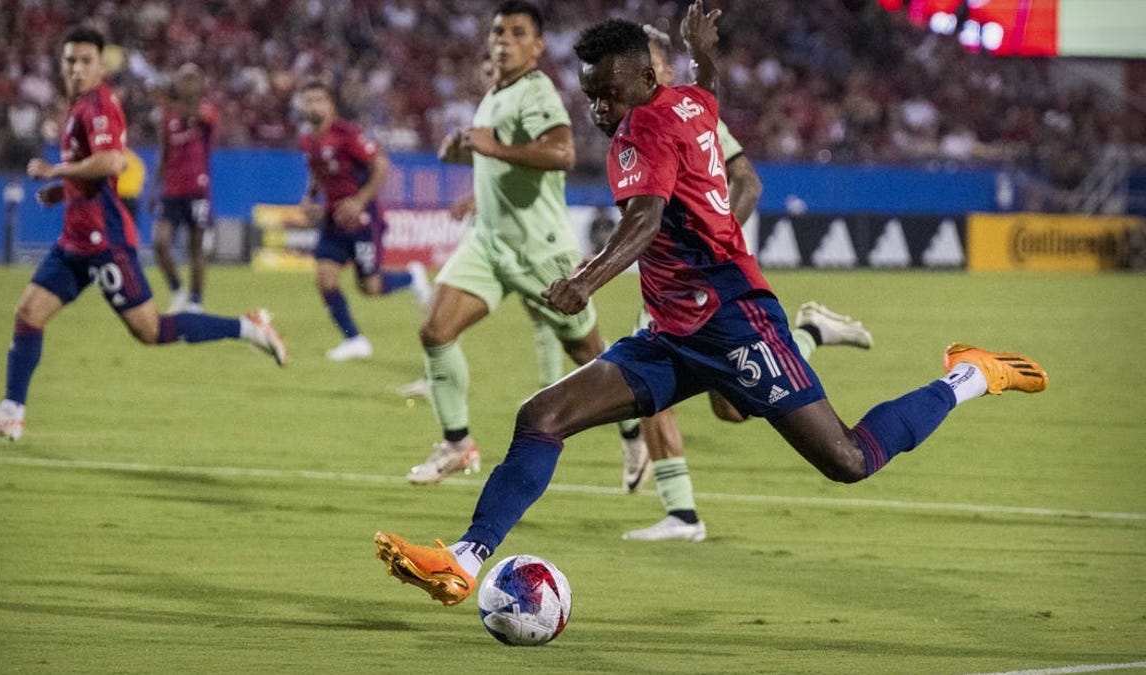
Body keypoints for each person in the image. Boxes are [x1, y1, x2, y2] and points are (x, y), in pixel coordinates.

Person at [373, 4, 1048, 606]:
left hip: (732, 321)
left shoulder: (644, 131)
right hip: (671, 333)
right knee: (541, 414)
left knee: (847, 459)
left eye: (609, 95)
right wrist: (706, 55)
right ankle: (464, 560)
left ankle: (969, 373)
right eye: (592, 99)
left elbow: (641, 222)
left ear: (643, 81)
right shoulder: (688, 103)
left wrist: (587, 279)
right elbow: (709, 96)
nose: (602, 112)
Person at [0, 26, 288, 442]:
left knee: (150, 331)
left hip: (104, 241)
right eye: (70, 61)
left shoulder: (99, 105)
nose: (76, 68)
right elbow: (96, 169)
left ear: (100, 65)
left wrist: (58, 171)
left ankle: (248, 327)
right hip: (75, 239)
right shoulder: (78, 106)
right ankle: (11, 410)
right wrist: (65, 189)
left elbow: (112, 162)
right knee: (28, 313)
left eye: (85, 61)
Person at [620, 24, 875, 542]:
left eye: (639, 65)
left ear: (663, 70)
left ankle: (682, 514)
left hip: (707, 285)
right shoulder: (634, 123)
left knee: (651, 381)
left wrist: (709, 246)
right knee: (732, 408)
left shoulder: (688, 113)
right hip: (678, 286)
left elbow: (749, 180)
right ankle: (811, 335)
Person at [405, 0, 646, 487]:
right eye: (498, 32)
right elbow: (497, 163)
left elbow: (562, 152)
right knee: (435, 332)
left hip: (541, 250)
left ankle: (633, 433)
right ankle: (456, 444)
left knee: (590, 356)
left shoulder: (538, 93)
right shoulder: (496, 93)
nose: (504, 40)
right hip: (489, 245)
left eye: (517, 33)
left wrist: (493, 147)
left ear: (537, 47)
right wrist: (462, 154)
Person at [296, 79, 431, 362]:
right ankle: (354, 340)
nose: (313, 106)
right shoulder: (307, 139)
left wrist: (359, 201)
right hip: (334, 220)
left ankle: (411, 276)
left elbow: (381, 166)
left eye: (319, 99)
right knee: (324, 278)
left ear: (331, 104)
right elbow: (319, 173)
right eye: (308, 100)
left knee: (370, 287)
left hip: (363, 221)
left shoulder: (347, 134)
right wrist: (310, 197)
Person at [153, 63, 216, 313]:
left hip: (198, 190)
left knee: (195, 248)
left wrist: (184, 100)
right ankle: (177, 289)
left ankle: (196, 301)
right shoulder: (167, 117)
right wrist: (153, 189)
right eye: (183, 79)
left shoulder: (207, 112)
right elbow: (164, 153)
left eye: (193, 78)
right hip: (171, 191)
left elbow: (202, 117)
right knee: (160, 243)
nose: (188, 83)